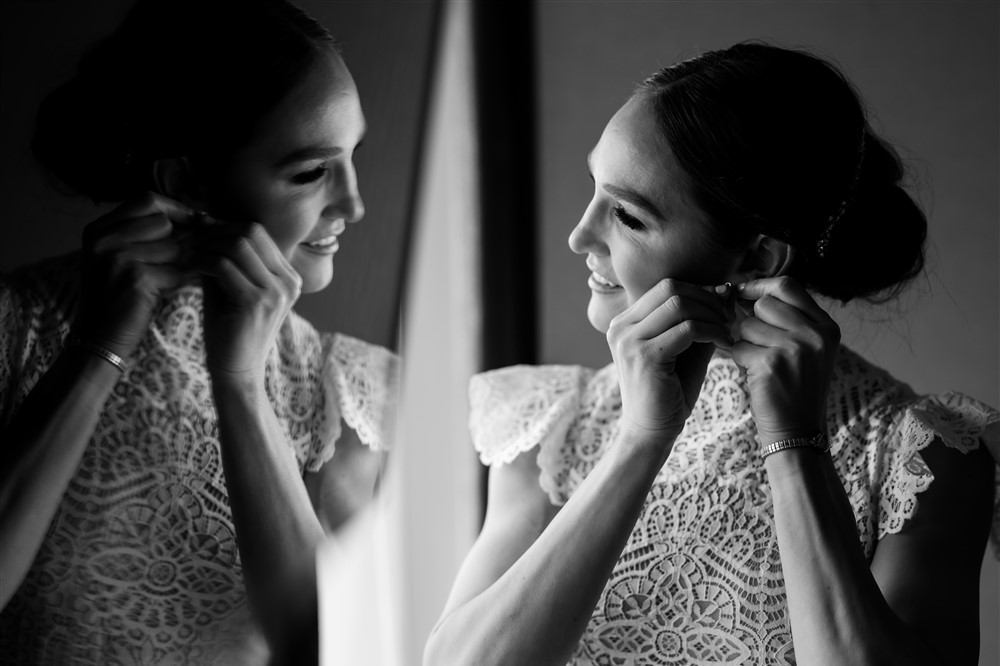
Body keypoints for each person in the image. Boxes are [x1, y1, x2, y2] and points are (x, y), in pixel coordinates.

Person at [425, 42, 998, 666]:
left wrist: (794, 445)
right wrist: (639, 441)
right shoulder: (550, 425)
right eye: (594, 189)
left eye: (627, 215)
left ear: (756, 260)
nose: (580, 234)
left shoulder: (921, 456)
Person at [0, 1, 397, 664]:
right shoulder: (16, 327)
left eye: (353, 156)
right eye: (312, 171)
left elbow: (328, 649)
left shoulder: (345, 393)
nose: (354, 204)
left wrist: (239, 385)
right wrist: (97, 352)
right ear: (185, 181)